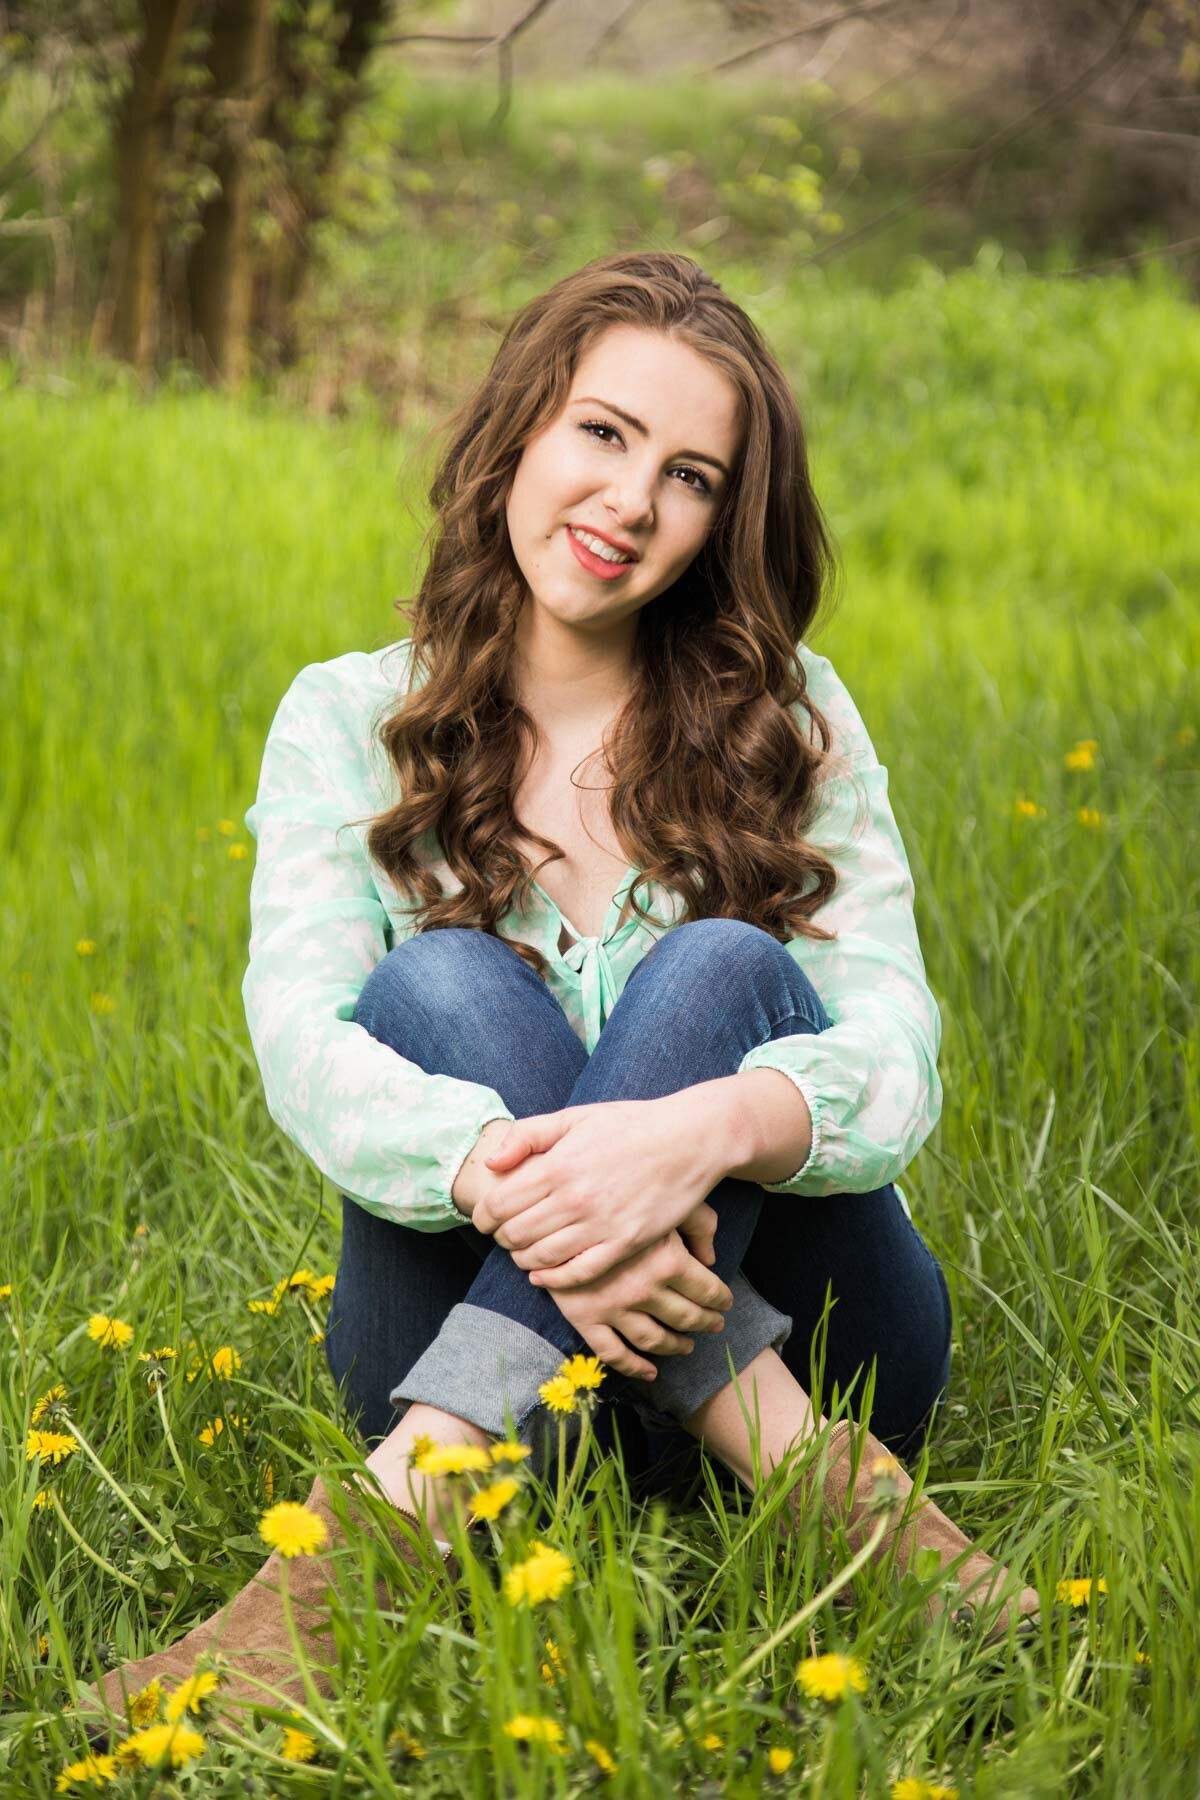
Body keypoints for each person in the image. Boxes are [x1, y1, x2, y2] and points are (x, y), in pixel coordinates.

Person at [80, 249, 1039, 1733]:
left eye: (691, 474)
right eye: (603, 432)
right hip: (503, 1375)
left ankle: (391, 1524)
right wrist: (490, 1167)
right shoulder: (349, 720)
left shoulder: (797, 719)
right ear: (519, 430)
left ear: (725, 519)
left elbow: (899, 1054)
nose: (631, 502)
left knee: (724, 964)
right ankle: (828, 1491)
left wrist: (707, 1126)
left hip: (836, 1335)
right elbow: (303, 1046)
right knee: (446, 984)